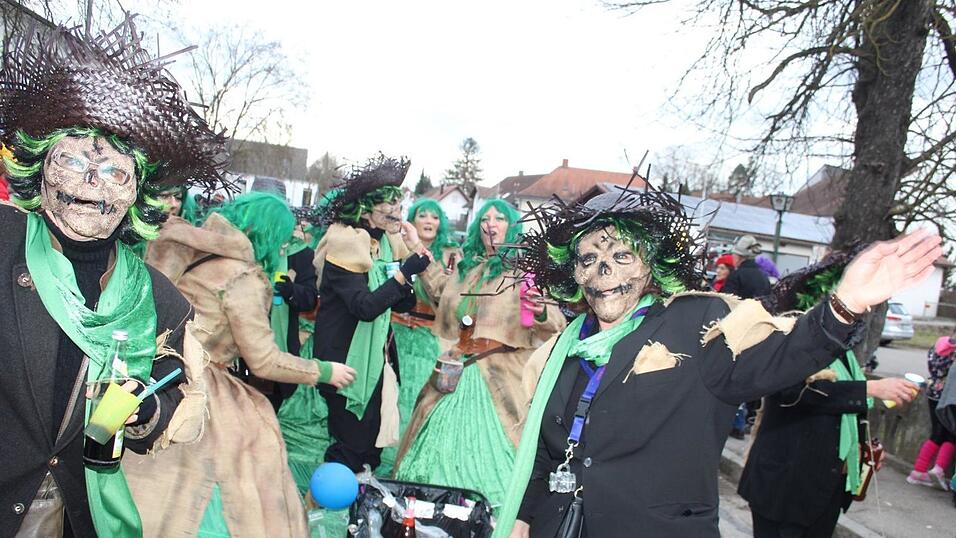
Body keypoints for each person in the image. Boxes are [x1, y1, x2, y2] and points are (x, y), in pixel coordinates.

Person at [495, 188, 940, 538]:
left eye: (620, 256)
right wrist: (522, 516)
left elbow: (779, 359)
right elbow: (546, 451)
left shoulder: (698, 320)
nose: (603, 271)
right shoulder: (561, 349)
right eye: (588, 259)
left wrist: (845, 304)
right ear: (573, 275)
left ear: (651, 265)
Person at [0, 17, 215, 537]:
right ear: (40, 166)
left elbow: (171, 389)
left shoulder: (158, 296)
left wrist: (144, 411)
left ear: (136, 193)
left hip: (76, 513)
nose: (90, 182)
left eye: (115, 172)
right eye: (72, 160)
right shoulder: (4, 240)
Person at [123, 192, 355, 536]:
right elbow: (263, 360)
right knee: (227, 487)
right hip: (204, 389)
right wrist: (323, 371)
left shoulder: (193, 253)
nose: (282, 248)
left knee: (153, 486)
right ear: (268, 233)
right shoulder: (240, 276)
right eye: (282, 239)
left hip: (160, 379)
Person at [394, 199, 565, 510]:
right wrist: (416, 246)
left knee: (496, 466)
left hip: (499, 381)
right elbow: (440, 294)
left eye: (500, 218)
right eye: (485, 218)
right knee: (433, 455)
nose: (491, 223)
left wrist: (541, 312)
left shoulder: (525, 273)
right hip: (455, 374)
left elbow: (552, 325)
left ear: (511, 227)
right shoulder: (469, 268)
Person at [739, 250, 920, 538]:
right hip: (785, 489)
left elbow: (842, 408)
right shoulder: (788, 336)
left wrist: (862, 451)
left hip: (823, 490)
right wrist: (869, 388)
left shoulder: (842, 349)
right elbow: (790, 393)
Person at [312, 154, 430, 473]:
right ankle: (322, 510)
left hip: (377, 360)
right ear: (366, 207)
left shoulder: (388, 242)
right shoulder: (344, 241)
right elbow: (364, 307)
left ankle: (360, 513)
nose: (397, 211)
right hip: (344, 359)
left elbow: (402, 303)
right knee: (351, 445)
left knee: (371, 448)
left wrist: (408, 274)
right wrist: (403, 276)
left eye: (398, 204)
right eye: (388, 205)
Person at [377, 198, 461, 474]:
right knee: (390, 394)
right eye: (422, 215)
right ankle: (381, 451)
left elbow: (446, 300)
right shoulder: (397, 247)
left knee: (417, 398)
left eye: (434, 217)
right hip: (397, 331)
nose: (428, 221)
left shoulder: (452, 256)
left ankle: (406, 457)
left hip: (426, 337)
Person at [907, 333, 956, 490]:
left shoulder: (937, 345)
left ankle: (919, 470)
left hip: (933, 391)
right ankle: (939, 468)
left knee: (936, 433)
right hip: (948, 395)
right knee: (951, 433)